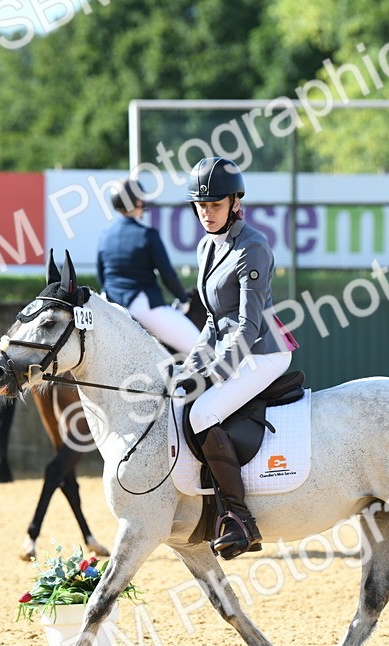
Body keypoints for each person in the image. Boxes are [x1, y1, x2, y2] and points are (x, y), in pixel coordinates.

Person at [173, 156, 297, 560]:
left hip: (264, 351)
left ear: (234, 203)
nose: (206, 213)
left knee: (202, 414)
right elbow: (212, 319)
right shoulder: (207, 246)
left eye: (214, 205)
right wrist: (190, 366)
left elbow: (247, 326)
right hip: (228, 346)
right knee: (179, 400)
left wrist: (213, 375)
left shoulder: (253, 247)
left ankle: (241, 519)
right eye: (201, 206)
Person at [96, 179, 200, 354]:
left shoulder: (105, 236)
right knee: (200, 349)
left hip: (109, 303)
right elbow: (168, 275)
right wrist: (183, 300)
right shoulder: (147, 234)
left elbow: (101, 275)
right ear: (137, 201)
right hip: (141, 305)